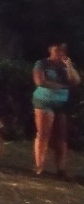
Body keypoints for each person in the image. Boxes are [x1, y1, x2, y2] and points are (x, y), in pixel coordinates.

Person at [31, 41, 80, 178]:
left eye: (63, 50)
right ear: (50, 50)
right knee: (43, 134)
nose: (60, 53)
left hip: (62, 103)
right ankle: (39, 167)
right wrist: (58, 86)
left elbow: (75, 81)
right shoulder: (42, 64)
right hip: (44, 101)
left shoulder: (66, 65)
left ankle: (61, 169)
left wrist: (69, 66)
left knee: (61, 137)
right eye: (57, 50)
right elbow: (39, 81)